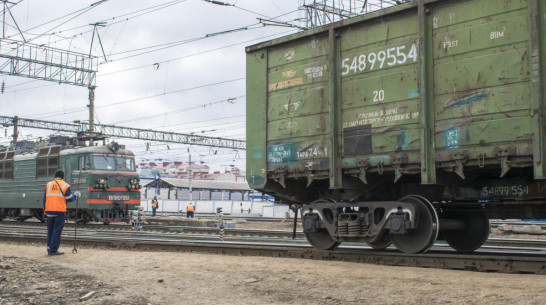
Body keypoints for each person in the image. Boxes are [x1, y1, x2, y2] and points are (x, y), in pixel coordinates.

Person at [44, 170, 80, 256]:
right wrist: (76, 195)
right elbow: (69, 198)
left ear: (55, 176)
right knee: (57, 231)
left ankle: (49, 248)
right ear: (63, 177)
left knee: (50, 231)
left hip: (49, 211)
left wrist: (45, 209)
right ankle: (53, 250)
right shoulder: (65, 185)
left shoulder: (48, 184)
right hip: (59, 211)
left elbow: (44, 198)